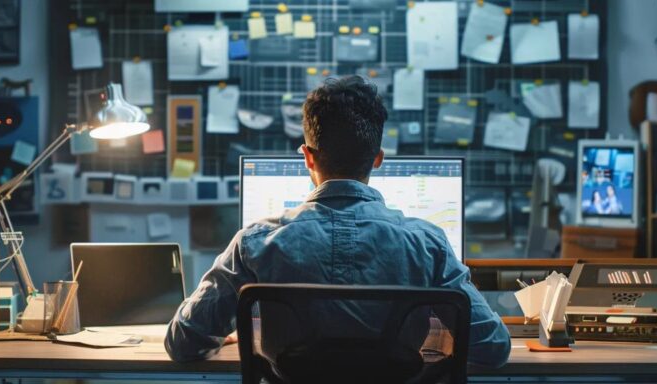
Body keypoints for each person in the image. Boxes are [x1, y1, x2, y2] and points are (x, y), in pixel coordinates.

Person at [165, 75, 511, 368]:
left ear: (307, 157)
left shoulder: (255, 243)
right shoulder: (427, 243)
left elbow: (182, 343)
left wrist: (224, 335)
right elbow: (493, 347)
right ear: (378, 159)